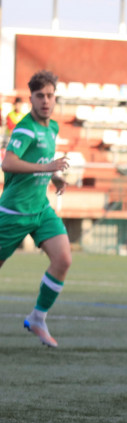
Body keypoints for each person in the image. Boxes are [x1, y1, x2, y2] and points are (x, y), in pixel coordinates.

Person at [0, 71, 70, 348]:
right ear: (31, 98)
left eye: (50, 95)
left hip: (40, 210)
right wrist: (47, 168)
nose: (45, 100)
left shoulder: (52, 127)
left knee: (63, 259)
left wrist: (54, 176)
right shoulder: (25, 128)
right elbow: (8, 162)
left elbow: (42, 158)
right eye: (39, 95)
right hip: (14, 212)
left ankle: (38, 318)